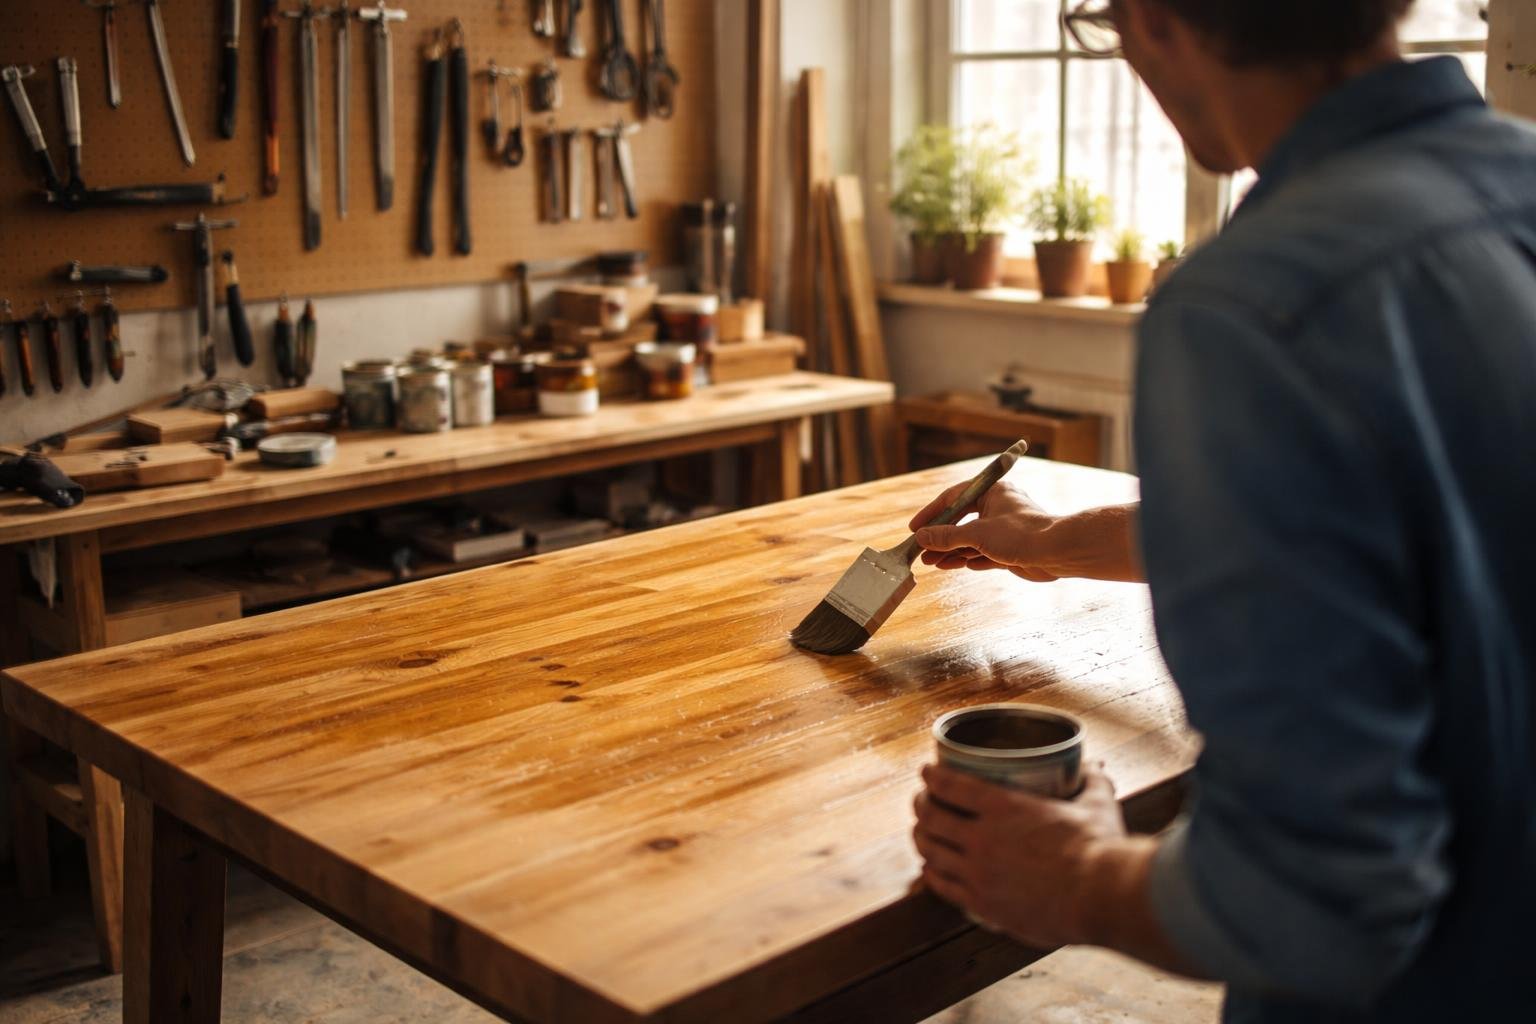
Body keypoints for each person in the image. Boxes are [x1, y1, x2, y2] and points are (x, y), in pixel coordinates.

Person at [909, 1, 1535, 1020]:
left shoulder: (1257, 299)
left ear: (1156, 19)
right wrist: (1048, 541)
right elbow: (1407, 527)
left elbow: (1321, 901)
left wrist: (1081, 876)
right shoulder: (1516, 184)